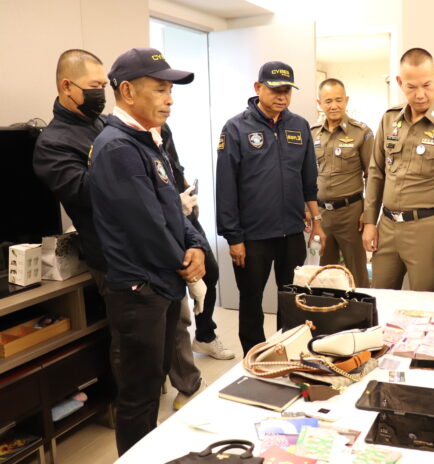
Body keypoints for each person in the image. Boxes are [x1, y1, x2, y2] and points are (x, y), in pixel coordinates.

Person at [89, 47, 206, 455]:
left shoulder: (146, 140)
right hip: (140, 290)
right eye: (160, 89)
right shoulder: (118, 148)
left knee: (152, 385)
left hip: (163, 282)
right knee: (139, 398)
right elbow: (147, 227)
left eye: (170, 90)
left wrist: (195, 246)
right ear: (127, 91)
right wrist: (187, 262)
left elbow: (174, 204)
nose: (169, 98)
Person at [216, 61, 325, 354]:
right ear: (258, 88)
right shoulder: (236, 128)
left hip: (291, 233)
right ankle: (254, 356)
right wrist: (234, 237)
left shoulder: (299, 125)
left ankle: (288, 349)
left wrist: (316, 221)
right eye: (275, 90)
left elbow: (308, 181)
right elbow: (225, 187)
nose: (281, 96)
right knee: (250, 299)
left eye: (286, 90)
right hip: (252, 237)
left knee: (292, 297)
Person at [362, 48, 434, 292]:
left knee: (424, 305)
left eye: (427, 85)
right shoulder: (389, 119)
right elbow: (376, 172)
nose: (420, 94)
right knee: (380, 299)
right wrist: (370, 222)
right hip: (387, 226)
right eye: (411, 87)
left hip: (426, 230)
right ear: (400, 82)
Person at [33, 49, 109, 288]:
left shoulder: (106, 123)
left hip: (149, 250)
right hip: (113, 259)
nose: (101, 93)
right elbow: (89, 194)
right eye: (95, 85)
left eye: (104, 85)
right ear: (67, 86)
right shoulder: (52, 144)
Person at [160, 124, 236, 362]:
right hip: (161, 222)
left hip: (184, 216)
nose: (167, 102)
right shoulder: (123, 140)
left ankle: (204, 336)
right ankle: (174, 362)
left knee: (209, 272)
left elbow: (173, 165)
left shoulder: (161, 128)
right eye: (160, 91)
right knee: (174, 291)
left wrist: (187, 193)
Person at [310, 78, 372, 287]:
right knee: (324, 274)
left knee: (356, 273)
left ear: (346, 100)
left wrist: (368, 212)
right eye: (328, 101)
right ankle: (328, 315)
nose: (333, 105)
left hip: (351, 214)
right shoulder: (312, 134)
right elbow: (306, 176)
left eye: (338, 100)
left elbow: (372, 175)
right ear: (319, 103)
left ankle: (362, 317)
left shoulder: (361, 132)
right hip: (322, 216)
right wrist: (307, 209)